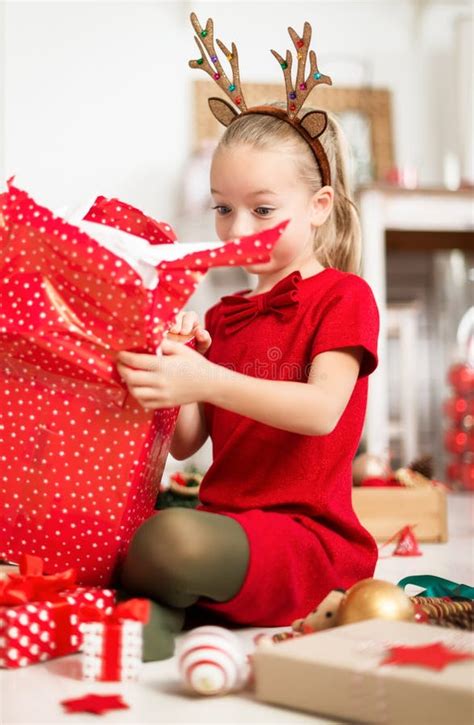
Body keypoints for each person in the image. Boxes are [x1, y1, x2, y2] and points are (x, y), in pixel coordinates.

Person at [115, 16, 379, 661]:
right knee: (128, 539)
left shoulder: (344, 297)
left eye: (262, 209)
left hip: (303, 538)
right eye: (222, 207)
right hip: (226, 524)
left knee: (164, 544)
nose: (237, 229)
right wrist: (171, 364)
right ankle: (159, 620)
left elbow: (320, 414)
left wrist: (205, 378)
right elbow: (187, 442)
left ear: (318, 206)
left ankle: (169, 597)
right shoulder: (227, 311)